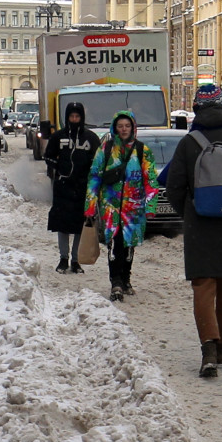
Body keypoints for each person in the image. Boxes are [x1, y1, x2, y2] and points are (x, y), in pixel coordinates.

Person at [162, 94, 222, 378]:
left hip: (199, 224)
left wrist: (190, 212)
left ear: (196, 110)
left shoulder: (188, 143)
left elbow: (173, 186)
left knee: (203, 285)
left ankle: (207, 347)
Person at [85, 111, 155, 302]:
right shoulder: (105, 149)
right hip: (111, 207)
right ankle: (115, 282)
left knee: (129, 246)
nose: (124, 129)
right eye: (120, 126)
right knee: (114, 244)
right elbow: (94, 177)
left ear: (133, 128)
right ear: (114, 128)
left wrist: (150, 206)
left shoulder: (142, 150)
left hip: (134, 208)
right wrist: (90, 205)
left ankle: (126, 279)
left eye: (127, 126)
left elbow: (151, 180)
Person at [42, 101, 100, 274]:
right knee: (62, 225)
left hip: (82, 188)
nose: (74, 120)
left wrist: (89, 175)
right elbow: (48, 156)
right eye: (71, 117)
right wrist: (59, 168)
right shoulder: (58, 137)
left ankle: (76, 260)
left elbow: (97, 160)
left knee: (79, 225)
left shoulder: (90, 138)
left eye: (77, 117)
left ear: (82, 118)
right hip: (63, 187)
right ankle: (63, 258)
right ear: (67, 118)